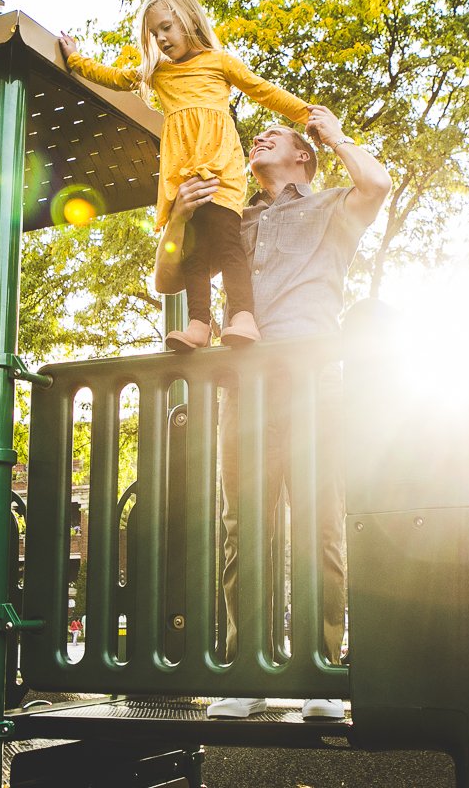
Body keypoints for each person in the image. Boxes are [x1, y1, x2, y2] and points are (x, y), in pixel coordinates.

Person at [154, 106, 390, 721]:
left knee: (319, 529)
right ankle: (249, 670)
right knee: (244, 531)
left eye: (275, 134)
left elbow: (378, 185)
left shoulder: (333, 208)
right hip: (246, 391)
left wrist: (332, 133)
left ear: (303, 155)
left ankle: (321, 673)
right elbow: (167, 278)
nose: (258, 136)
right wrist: (177, 218)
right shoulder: (234, 219)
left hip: (313, 386)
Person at [60, 0, 311, 351]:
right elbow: (114, 77)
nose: (160, 38)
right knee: (194, 254)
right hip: (185, 180)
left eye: (166, 27)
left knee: (227, 245)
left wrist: (307, 114)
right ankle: (198, 325)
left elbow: (262, 90)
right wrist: (76, 60)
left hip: (220, 173)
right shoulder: (159, 74)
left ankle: (243, 316)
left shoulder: (218, 62)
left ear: (188, 20)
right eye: (154, 33)